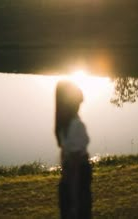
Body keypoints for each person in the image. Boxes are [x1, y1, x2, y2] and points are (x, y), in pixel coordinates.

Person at [55, 80, 92, 219]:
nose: (81, 101)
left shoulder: (63, 125)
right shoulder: (76, 125)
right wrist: (75, 202)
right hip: (78, 185)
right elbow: (75, 168)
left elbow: (65, 157)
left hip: (66, 184)